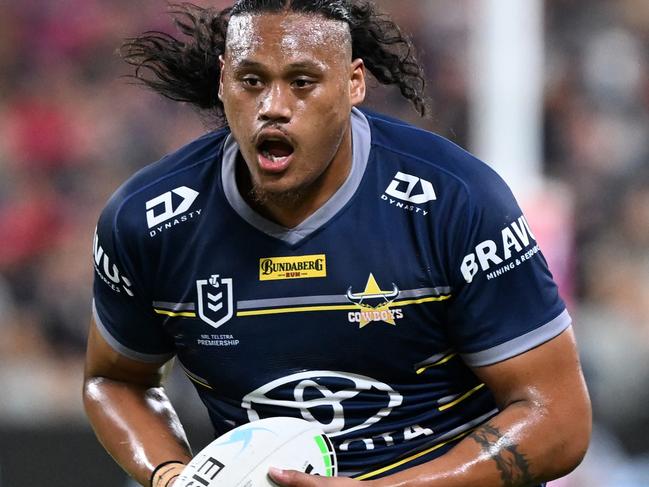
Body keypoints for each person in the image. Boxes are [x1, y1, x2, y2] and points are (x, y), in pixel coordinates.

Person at [83, 1, 591, 486]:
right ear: (223, 81)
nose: (273, 108)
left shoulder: (457, 203)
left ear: (353, 83)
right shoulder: (148, 223)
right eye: (251, 81)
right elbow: (115, 380)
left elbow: (558, 419)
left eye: (302, 82)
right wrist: (173, 476)